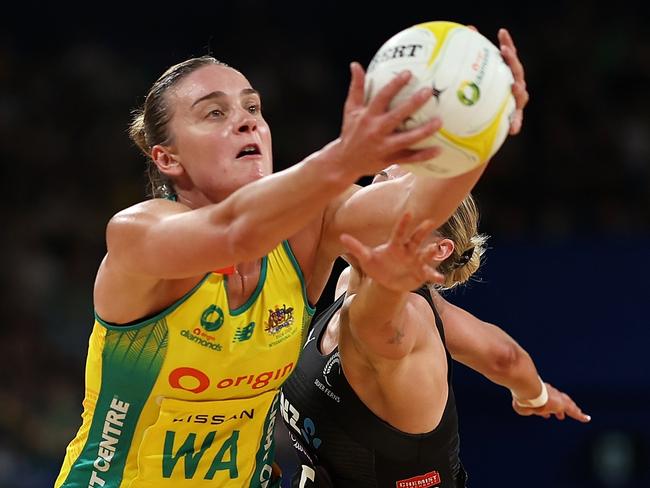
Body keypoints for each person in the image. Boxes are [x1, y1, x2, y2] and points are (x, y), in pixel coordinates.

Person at [55, 27, 527, 487]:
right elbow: (233, 231)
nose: (246, 121)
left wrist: (480, 126)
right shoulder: (137, 236)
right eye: (214, 114)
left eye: (252, 107)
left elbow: (417, 206)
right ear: (167, 159)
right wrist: (345, 156)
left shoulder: (309, 226)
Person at [280, 174, 589, 488]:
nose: (372, 194)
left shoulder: (396, 325)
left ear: (437, 249)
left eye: (397, 197)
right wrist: (536, 394)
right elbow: (503, 357)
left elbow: (317, 194)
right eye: (379, 181)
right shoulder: (354, 284)